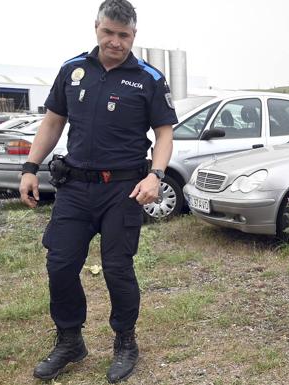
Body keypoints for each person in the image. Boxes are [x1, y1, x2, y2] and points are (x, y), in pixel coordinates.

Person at [19, 0, 177, 382]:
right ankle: (70, 340)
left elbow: (164, 133)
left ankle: (125, 343)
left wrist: (156, 175)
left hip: (124, 188)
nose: (115, 42)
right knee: (59, 265)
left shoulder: (148, 78)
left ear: (134, 36)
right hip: (75, 187)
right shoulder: (72, 70)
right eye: (109, 32)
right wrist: (29, 167)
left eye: (124, 36)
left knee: (117, 268)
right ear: (96, 28)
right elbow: (53, 122)